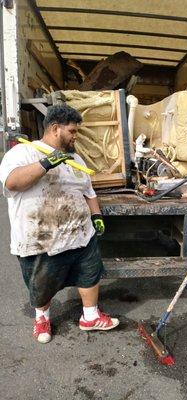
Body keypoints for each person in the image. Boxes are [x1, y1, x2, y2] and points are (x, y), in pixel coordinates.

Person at [0, 104, 119, 344]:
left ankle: (90, 315)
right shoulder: (23, 153)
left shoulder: (75, 158)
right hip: (42, 239)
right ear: (55, 129)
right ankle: (42, 318)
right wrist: (46, 164)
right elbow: (11, 183)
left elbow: (89, 191)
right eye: (72, 131)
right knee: (42, 284)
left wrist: (96, 216)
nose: (75, 136)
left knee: (89, 275)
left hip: (80, 234)